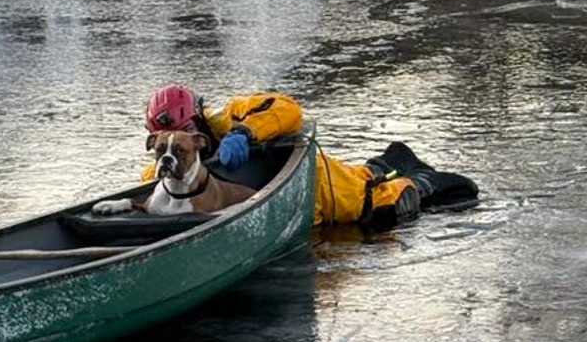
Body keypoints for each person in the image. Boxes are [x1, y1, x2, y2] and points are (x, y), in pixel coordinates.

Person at [140, 84, 479, 230]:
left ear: (196, 123)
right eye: (165, 141)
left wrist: (243, 133)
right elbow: (153, 186)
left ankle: (415, 178)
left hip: (327, 190)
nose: (176, 145)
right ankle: (388, 160)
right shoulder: (171, 166)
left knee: (390, 200)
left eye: (183, 136)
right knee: (368, 173)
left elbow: (287, 109)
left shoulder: (231, 116)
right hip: (295, 199)